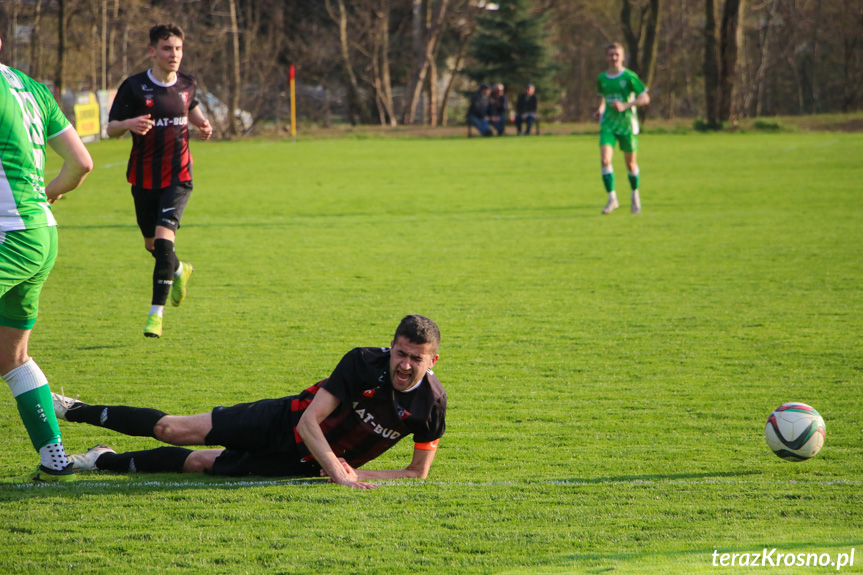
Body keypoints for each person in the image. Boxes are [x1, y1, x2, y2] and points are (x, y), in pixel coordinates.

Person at [54, 315, 447, 490]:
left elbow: (416, 473)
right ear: (391, 346)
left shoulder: (431, 406)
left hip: (304, 463)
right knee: (172, 430)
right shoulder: (363, 361)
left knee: (200, 464)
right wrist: (341, 473)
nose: (405, 364)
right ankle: (75, 410)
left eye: (416, 358)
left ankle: (100, 458)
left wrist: (356, 474)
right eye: (400, 353)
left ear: (433, 361)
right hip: (284, 420)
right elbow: (310, 421)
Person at [0, 36, 93, 483]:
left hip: (7, 237)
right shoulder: (32, 88)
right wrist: (48, 194)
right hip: (41, 234)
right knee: (13, 356)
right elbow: (81, 162)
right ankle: (55, 462)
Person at [107, 24, 213, 338]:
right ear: (153, 51)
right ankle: (180, 270)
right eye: (167, 49)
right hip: (143, 178)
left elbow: (189, 106)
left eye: (178, 49)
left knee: (165, 242)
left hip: (179, 177)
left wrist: (202, 125)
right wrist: (128, 123)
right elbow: (111, 128)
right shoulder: (135, 87)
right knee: (153, 246)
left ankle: (156, 314)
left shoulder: (187, 84)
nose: (174, 55)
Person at [594, 42, 650, 215]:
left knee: (631, 164)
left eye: (617, 54)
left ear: (623, 57)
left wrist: (626, 105)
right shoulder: (602, 78)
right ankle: (612, 199)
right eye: (611, 55)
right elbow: (603, 98)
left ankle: (635, 195)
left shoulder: (629, 77)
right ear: (606, 57)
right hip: (608, 125)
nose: (614, 58)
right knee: (605, 160)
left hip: (627, 125)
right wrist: (600, 110)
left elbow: (645, 99)